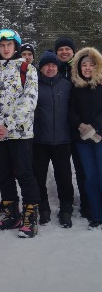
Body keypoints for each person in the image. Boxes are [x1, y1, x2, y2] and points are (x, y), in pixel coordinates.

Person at [0, 29, 41, 238]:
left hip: (20, 135)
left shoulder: (27, 68)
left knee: (24, 174)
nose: (5, 49)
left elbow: (29, 102)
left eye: (9, 45)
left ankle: (30, 217)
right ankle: (11, 214)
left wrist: (7, 124)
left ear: (16, 46)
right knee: (3, 175)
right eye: (2, 45)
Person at [33, 51, 74, 227]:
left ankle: (66, 209)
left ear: (57, 67)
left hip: (62, 141)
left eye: (53, 65)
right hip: (39, 141)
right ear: (41, 68)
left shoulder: (67, 85)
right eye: (46, 65)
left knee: (64, 177)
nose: (50, 68)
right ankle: (43, 208)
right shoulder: (33, 86)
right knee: (38, 177)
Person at [55, 36, 90, 219]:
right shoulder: (51, 69)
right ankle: (66, 202)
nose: (64, 52)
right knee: (63, 170)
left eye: (67, 49)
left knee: (82, 168)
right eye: (60, 49)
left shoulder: (79, 70)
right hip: (59, 129)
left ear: (73, 51)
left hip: (77, 127)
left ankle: (87, 202)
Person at [69, 47, 102, 229]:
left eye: (91, 64)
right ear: (78, 67)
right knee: (89, 177)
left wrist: (95, 126)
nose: (87, 68)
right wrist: (81, 125)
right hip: (82, 139)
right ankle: (96, 215)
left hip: (100, 137)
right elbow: (71, 110)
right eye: (84, 65)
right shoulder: (75, 86)